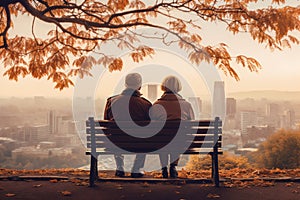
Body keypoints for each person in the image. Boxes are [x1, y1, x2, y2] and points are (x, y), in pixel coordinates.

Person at [104, 73, 152, 178]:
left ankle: (120, 168)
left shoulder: (111, 101)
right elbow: (149, 128)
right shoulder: (146, 104)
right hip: (139, 143)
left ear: (125, 84)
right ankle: (136, 169)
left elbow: (107, 124)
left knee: (115, 135)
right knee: (145, 137)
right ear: (139, 86)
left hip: (116, 142)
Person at [150, 76, 194, 178]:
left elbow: (151, 125)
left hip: (161, 141)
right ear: (178, 87)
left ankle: (164, 167)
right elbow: (191, 124)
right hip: (180, 141)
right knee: (179, 137)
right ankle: (173, 166)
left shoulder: (156, 105)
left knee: (162, 138)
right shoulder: (186, 105)